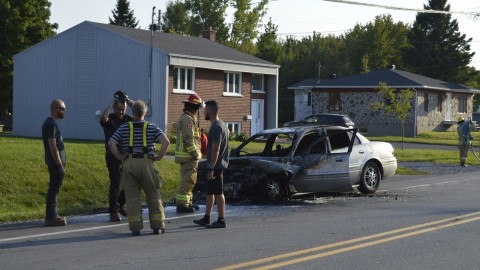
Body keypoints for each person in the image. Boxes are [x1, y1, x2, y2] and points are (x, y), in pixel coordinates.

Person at [108, 100, 170, 235]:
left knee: (132, 197)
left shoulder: (124, 127)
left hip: (129, 163)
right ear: (145, 113)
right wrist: (158, 157)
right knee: (153, 195)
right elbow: (166, 142)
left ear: (132, 112)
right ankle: (157, 226)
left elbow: (111, 142)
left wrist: (119, 157)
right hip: (147, 163)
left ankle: (135, 227)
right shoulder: (152, 127)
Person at [194, 100, 229, 229]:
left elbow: (216, 148)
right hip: (216, 165)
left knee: (218, 193)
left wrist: (211, 167)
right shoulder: (222, 125)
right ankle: (206, 218)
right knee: (210, 192)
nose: (203, 112)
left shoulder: (216, 127)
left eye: (205, 110)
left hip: (216, 166)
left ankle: (221, 219)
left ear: (210, 111)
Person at [100, 91, 133, 222]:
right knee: (115, 182)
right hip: (112, 155)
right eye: (118, 109)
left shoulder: (127, 119)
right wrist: (110, 104)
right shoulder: (111, 118)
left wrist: (131, 103)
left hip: (126, 155)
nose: (121, 112)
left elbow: (140, 115)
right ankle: (113, 211)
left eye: (123, 109)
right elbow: (103, 117)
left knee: (128, 181)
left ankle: (121, 205)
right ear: (114, 107)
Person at [174, 93, 204, 213]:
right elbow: (188, 138)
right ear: (194, 107)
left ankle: (188, 202)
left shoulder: (188, 118)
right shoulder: (187, 119)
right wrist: (195, 154)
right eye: (197, 107)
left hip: (187, 157)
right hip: (188, 157)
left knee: (190, 180)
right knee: (188, 180)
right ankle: (182, 205)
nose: (198, 110)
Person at [42, 99, 68, 226]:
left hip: (54, 162)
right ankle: (51, 216)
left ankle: (51, 215)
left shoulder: (50, 123)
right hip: (55, 163)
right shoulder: (51, 123)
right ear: (56, 109)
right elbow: (53, 146)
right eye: (62, 109)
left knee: (54, 188)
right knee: (54, 189)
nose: (64, 111)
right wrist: (59, 164)